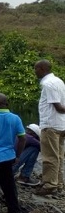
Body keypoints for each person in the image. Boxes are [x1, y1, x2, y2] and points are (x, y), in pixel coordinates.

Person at [33, 59, 65, 196]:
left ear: (42, 68)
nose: (35, 72)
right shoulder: (59, 81)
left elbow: (58, 107)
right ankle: (58, 183)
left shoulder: (48, 84)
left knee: (49, 157)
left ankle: (49, 185)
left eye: (36, 69)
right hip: (61, 125)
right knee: (58, 156)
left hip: (50, 125)